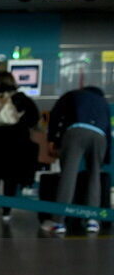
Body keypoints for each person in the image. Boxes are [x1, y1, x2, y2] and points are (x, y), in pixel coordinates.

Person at [43, 84, 111, 234]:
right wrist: (106, 158)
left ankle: (59, 222)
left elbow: (55, 114)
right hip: (99, 136)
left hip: (76, 131)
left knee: (68, 175)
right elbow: (107, 130)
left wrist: (52, 139)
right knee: (95, 176)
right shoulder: (103, 102)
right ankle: (92, 221)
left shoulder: (73, 94)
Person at [0, 71, 39, 222]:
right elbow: (34, 118)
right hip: (15, 144)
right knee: (10, 179)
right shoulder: (22, 99)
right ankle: (7, 211)